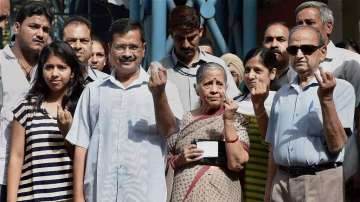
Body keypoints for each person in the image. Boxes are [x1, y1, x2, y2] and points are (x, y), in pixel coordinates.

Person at [66, 19, 184, 202]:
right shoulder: (93, 90)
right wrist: (78, 197)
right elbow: (81, 145)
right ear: (109, 49)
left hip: (145, 193)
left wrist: (158, 95)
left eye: (133, 47)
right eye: (120, 47)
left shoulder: (164, 88)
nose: (127, 53)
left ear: (143, 49)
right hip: (100, 193)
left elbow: (169, 132)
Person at [264, 25, 355, 202]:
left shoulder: (341, 89)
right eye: (293, 49)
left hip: (319, 179)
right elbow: (273, 148)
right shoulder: (282, 93)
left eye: (306, 49)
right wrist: (269, 190)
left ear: (322, 52)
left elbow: (337, 145)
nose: (299, 55)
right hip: (281, 181)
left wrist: (326, 100)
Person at [6, 41, 85, 202]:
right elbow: (16, 156)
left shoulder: (81, 108)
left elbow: (83, 159)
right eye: (49, 67)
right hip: (31, 197)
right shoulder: (27, 108)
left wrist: (66, 132)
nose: (54, 73)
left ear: (72, 72)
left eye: (61, 67)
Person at [295, 2, 360, 182]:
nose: (303, 28)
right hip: (299, 172)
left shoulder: (351, 62)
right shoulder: (296, 65)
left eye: (309, 22)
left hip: (343, 169)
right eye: (299, 24)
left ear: (328, 26)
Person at [166, 62, 249, 201]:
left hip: (223, 194)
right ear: (196, 89)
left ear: (226, 88)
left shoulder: (236, 119)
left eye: (219, 84)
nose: (214, 90)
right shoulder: (185, 119)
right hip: (184, 194)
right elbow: (163, 157)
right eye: (208, 84)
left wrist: (228, 121)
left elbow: (237, 162)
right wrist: (178, 160)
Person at [0, 2, 52, 200]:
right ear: (17, 27)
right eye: (34, 26)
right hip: (2, 173)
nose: (40, 33)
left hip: (37, 178)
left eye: (45, 29)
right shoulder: (1, 62)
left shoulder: (49, 70)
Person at [159, 5, 240, 112]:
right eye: (180, 38)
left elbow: (234, 103)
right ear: (171, 34)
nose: (186, 45)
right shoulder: (159, 70)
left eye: (191, 38)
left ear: (201, 31)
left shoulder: (218, 65)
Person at [234, 47, 277, 202]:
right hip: (237, 184)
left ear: (272, 73)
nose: (251, 76)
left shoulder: (280, 102)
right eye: (247, 70)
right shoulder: (234, 104)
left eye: (257, 70)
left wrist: (259, 107)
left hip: (267, 183)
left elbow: (272, 145)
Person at [62, 16, 108, 83]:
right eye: (72, 41)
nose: (78, 46)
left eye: (84, 41)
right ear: (62, 43)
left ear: (91, 44)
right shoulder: (50, 81)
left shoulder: (106, 83)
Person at [262, 22, 295, 91]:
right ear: (263, 44)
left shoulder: (298, 76)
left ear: (291, 44)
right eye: (269, 40)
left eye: (280, 40)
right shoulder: (254, 74)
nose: (274, 45)